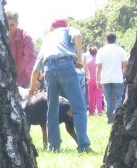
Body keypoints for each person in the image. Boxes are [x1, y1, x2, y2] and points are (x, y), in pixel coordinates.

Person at [29, 18, 93, 153]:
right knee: (79, 107)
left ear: (51, 28)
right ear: (65, 26)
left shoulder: (47, 39)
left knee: (51, 109)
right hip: (66, 65)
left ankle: (54, 147)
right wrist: (79, 59)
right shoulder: (68, 30)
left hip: (49, 70)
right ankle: (83, 146)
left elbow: (36, 69)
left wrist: (32, 87)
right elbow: (78, 35)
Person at [96, 33, 129, 124]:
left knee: (109, 100)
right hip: (118, 78)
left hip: (105, 78)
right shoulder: (120, 50)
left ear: (106, 39)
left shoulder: (101, 50)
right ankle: (117, 114)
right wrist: (125, 74)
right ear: (115, 39)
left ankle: (110, 119)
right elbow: (125, 64)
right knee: (119, 98)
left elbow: (99, 67)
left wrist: (98, 80)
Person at [5, 10, 36, 88]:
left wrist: (34, 80)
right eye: (6, 25)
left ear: (17, 24)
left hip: (25, 78)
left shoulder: (25, 37)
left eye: (12, 25)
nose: (9, 28)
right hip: (6, 80)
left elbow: (30, 58)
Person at [85, 45, 103, 116]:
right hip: (99, 79)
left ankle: (91, 111)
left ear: (90, 53)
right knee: (99, 95)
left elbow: (87, 72)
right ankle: (99, 111)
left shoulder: (88, 62)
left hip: (91, 79)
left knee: (91, 96)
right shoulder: (99, 61)